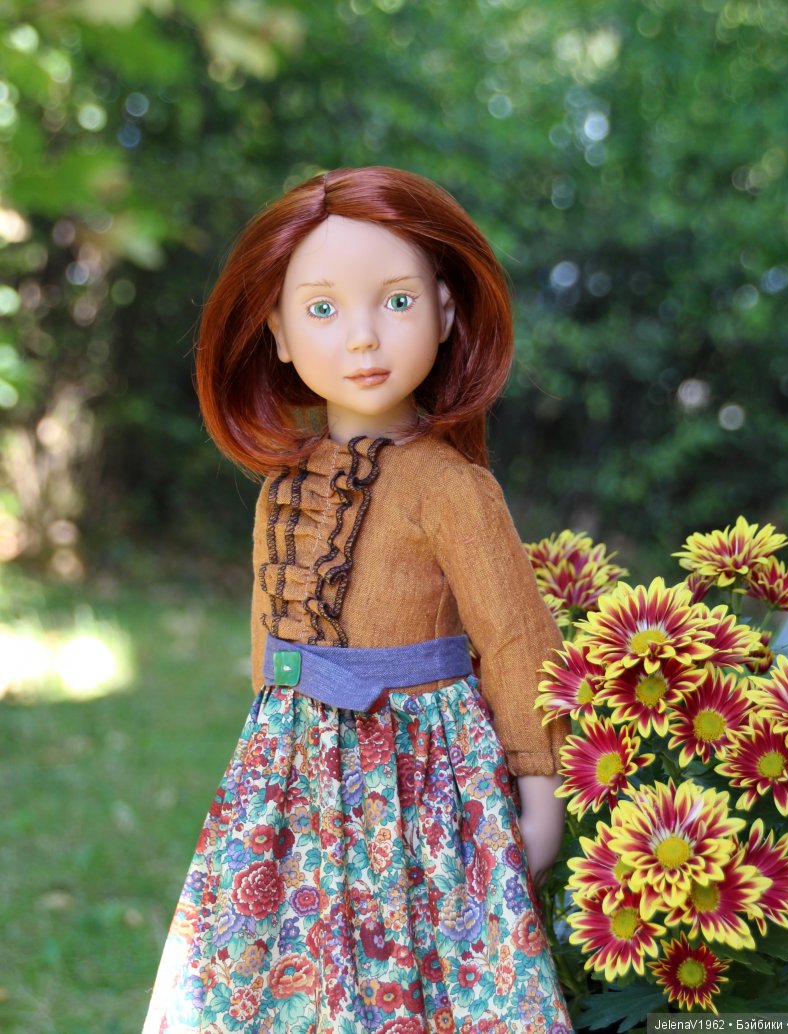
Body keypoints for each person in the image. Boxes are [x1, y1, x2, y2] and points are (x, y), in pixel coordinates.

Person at [143, 166, 573, 1033]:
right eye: (323, 309)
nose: (365, 337)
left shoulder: (451, 488)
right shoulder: (283, 488)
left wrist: (541, 783)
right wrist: (264, 759)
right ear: (278, 334)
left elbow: (516, 635)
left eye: (398, 302)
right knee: (274, 966)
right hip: (292, 772)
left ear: (446, 313)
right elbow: (269, 648)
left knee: (425, 960)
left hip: (422, 775)